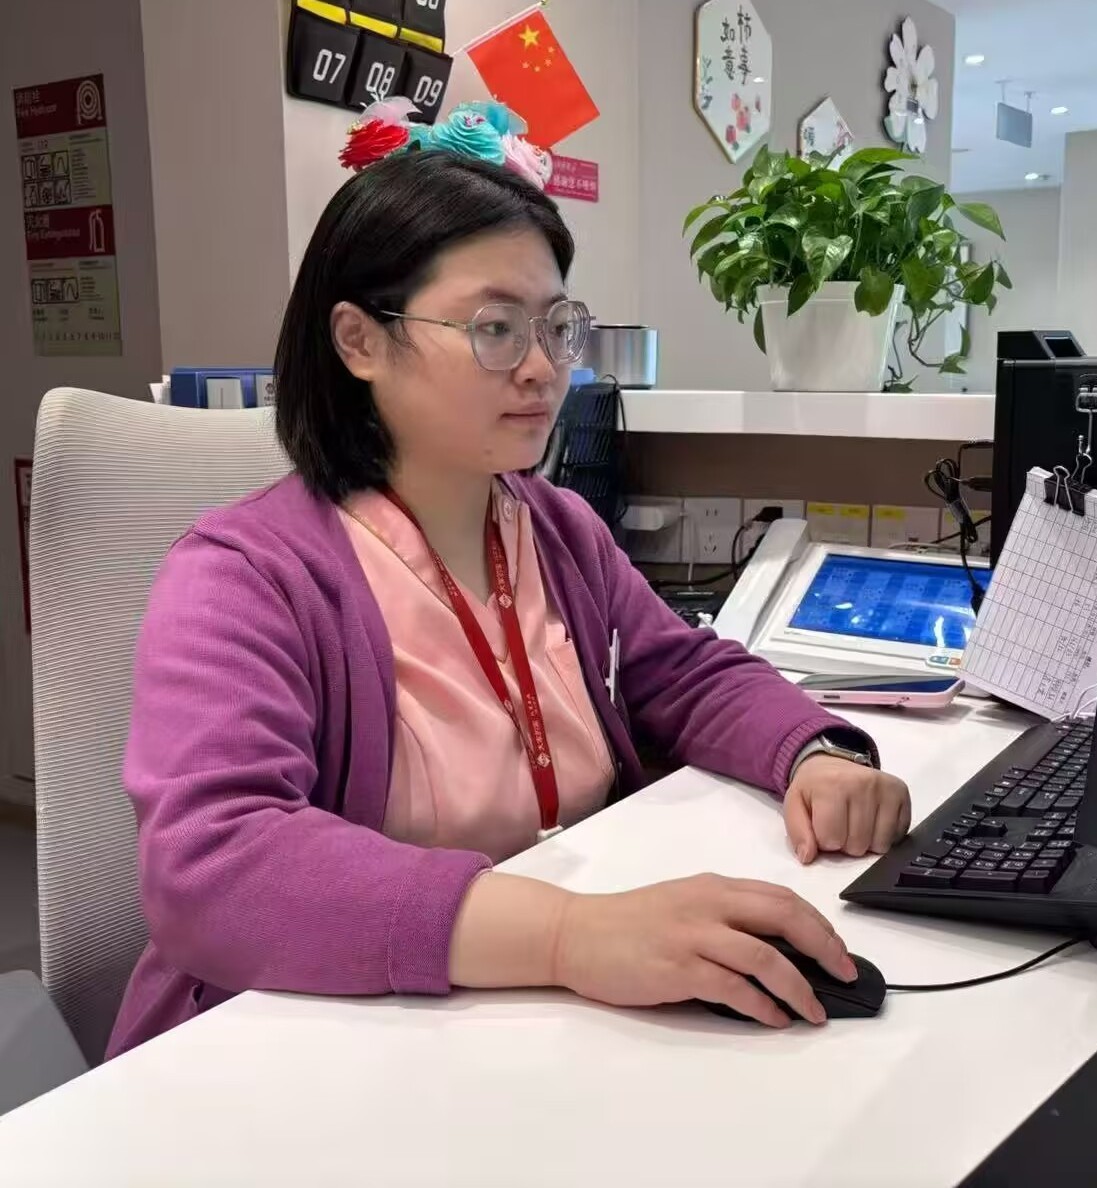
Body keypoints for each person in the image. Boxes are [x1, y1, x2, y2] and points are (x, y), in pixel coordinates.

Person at [108, 103, 911, 1058]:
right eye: (494, 328)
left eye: (557, 327)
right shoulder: (244, 578)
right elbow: (213, 867)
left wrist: (814, 754)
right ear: (359, 341)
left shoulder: (557, 529)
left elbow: (683, 672)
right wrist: (570, 936)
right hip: (309, 1045)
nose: (541, 370)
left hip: (530, 1020)